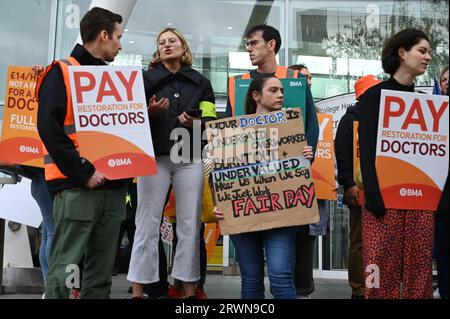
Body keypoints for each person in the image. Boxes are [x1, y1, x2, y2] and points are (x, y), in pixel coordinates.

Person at [36, 7, 128, 299]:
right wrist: (84, 173)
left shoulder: (114, 81)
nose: (120, 44)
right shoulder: (60, 71)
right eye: (117, 37)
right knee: (65, 271)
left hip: (112, 187)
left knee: (100, 276)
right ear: (103, 36)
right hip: (77, 186)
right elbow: (49, 130)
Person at [127, 27, 216, 299]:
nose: (167, 45)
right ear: (158, 51)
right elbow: (129, 116)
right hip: (154, 156)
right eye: (162, 42)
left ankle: (189, 291)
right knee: (146, 222)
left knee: (190, 225)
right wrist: (148, 111)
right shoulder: (144, 79)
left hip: (188, 155)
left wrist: (196, 122)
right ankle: (137, 291)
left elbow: (211, 122)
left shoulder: (201, 81)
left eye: (172, 41)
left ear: (183, 46)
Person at [214, 74, 314, 299]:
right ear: (256, 96)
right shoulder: (233, 133)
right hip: (243, 214)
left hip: (283, 214)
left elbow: (297, 173)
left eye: (282, 91)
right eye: (274, 90)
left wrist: (307, 154)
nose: (280, 94)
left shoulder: (292, 129)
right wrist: (220, 203)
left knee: (280, 277)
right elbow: (221, 175)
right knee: (250, 280)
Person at [358, 28, 434, 299]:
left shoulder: (427, 105)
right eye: (422, 51)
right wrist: (374, 197)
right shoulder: (372, 97)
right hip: (383, 202)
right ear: (402, 52)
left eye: (428, 52)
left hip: (420, 203)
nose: (428, 57)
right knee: (378, 272)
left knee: (420, 274)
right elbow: (366, 151)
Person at [226, 25, 319, 156]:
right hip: (248, 164)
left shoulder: (296, 77)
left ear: (271, 44)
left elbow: (311, 122)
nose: (248, 49)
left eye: (254, 43)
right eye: (247, 44)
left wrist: (309, 152)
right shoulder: (236, 83)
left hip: (290, 163)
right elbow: (229, 127)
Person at [335, 74, 380, 299]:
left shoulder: (385, 116)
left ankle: (376, 286)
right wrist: (349, 184)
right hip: (358, 190)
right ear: (363, 95)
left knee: (380, 241)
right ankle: (359, 288)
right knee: (359, 240)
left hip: (384, 190)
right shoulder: (349, 119)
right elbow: (342, 154)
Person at [287, 64, 329, 299]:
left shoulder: (320, 115)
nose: (308, 81)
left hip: (313, 191)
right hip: (286, 190)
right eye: (303, 77)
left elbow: (326, 154)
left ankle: (303, 291)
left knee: (305, 240)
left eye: (310, 77)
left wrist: (332, 180)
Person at [434, 65, 448, 299]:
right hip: (439, 194)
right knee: (444, 250)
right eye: (445, 79)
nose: (448, 82)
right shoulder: (431, 112)